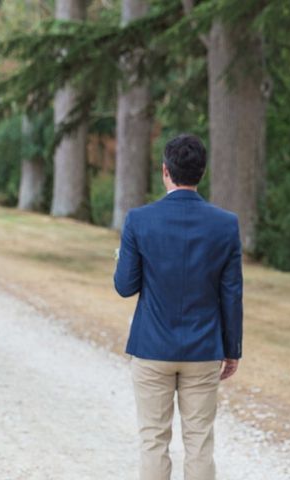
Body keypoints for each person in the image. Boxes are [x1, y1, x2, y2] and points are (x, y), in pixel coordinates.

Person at [114, 134, 243, 480]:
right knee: (200, 442)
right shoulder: (225, 224)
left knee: (153, 440)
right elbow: (232, 293)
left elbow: (124, 286)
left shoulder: (139, 220)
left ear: (165, 171)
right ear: (201, 172)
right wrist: (232, 350)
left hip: (152, 347)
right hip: (203, 350)